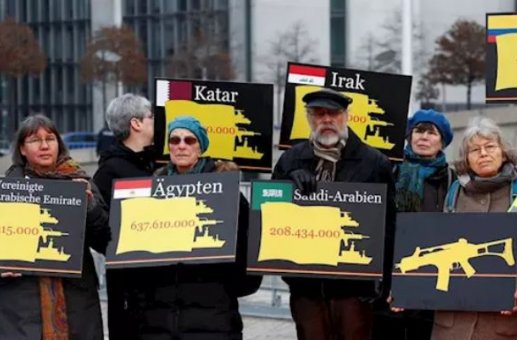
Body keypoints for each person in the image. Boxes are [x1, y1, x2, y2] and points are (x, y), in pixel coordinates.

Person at [106, 116, 260, 338]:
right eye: (175, 140)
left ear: (201, 147)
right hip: (158, 321)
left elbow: (247, 246)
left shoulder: (227, 193)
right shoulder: (149, 191)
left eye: (189, 140)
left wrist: (227, 288)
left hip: (212, 320)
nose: (181, 146)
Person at [272, 88, 395, 340]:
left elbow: (389, 226)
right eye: (319, 114)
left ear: (346, 116)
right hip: (307, 287)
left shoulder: (374, 162)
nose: (326, 120)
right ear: (309, 119)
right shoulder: (290, 160)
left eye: (333, 113)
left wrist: (383, 283)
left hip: (354, 288)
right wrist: (288, 182)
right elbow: (269, 214)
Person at [432, 117, 517, 340]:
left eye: (490, 146)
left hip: (506, 323)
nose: (483, 153)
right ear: (466, 159)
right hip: (453, 328)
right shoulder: (452, 193)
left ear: (504, 152)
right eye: (475, 150)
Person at [0, 114, 110, 339]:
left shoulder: (80, 183)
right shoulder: (8, 191)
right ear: (22, 149)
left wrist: (89, 207)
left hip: (76, 302)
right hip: (22, 306)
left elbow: (105, 241)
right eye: (34, 140)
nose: (44, 146)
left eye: (50, 139)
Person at [373, 108, 454, 339]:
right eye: (419, 130)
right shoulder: (389, 171)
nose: (424, 137)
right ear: (409, 136)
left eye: (432, 132)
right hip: (388, 280)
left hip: (431, 280)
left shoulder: (451, 180)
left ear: (442, 141)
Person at [91, 93, 157, 339]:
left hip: (154, 285)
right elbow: (98, 235)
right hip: (129, 290)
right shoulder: (109, 173)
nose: (155, 122)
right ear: (136, 123)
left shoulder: (151, 165)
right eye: (151, 116)